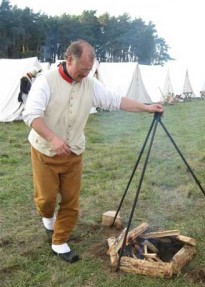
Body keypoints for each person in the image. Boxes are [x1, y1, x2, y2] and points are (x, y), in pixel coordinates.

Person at [22, 40, 164, 264]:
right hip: (44, 152)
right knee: (46, 200)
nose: (86, 74)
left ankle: (59, 242)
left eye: (89, 70)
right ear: (69, 59)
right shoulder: (45, 81)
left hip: (74, 153)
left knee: (71, 200)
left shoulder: (90, 83)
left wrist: (146, 107)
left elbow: (115, 100)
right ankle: (48, 219)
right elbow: (31, 115)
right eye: (82, 69)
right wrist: (53, 138)